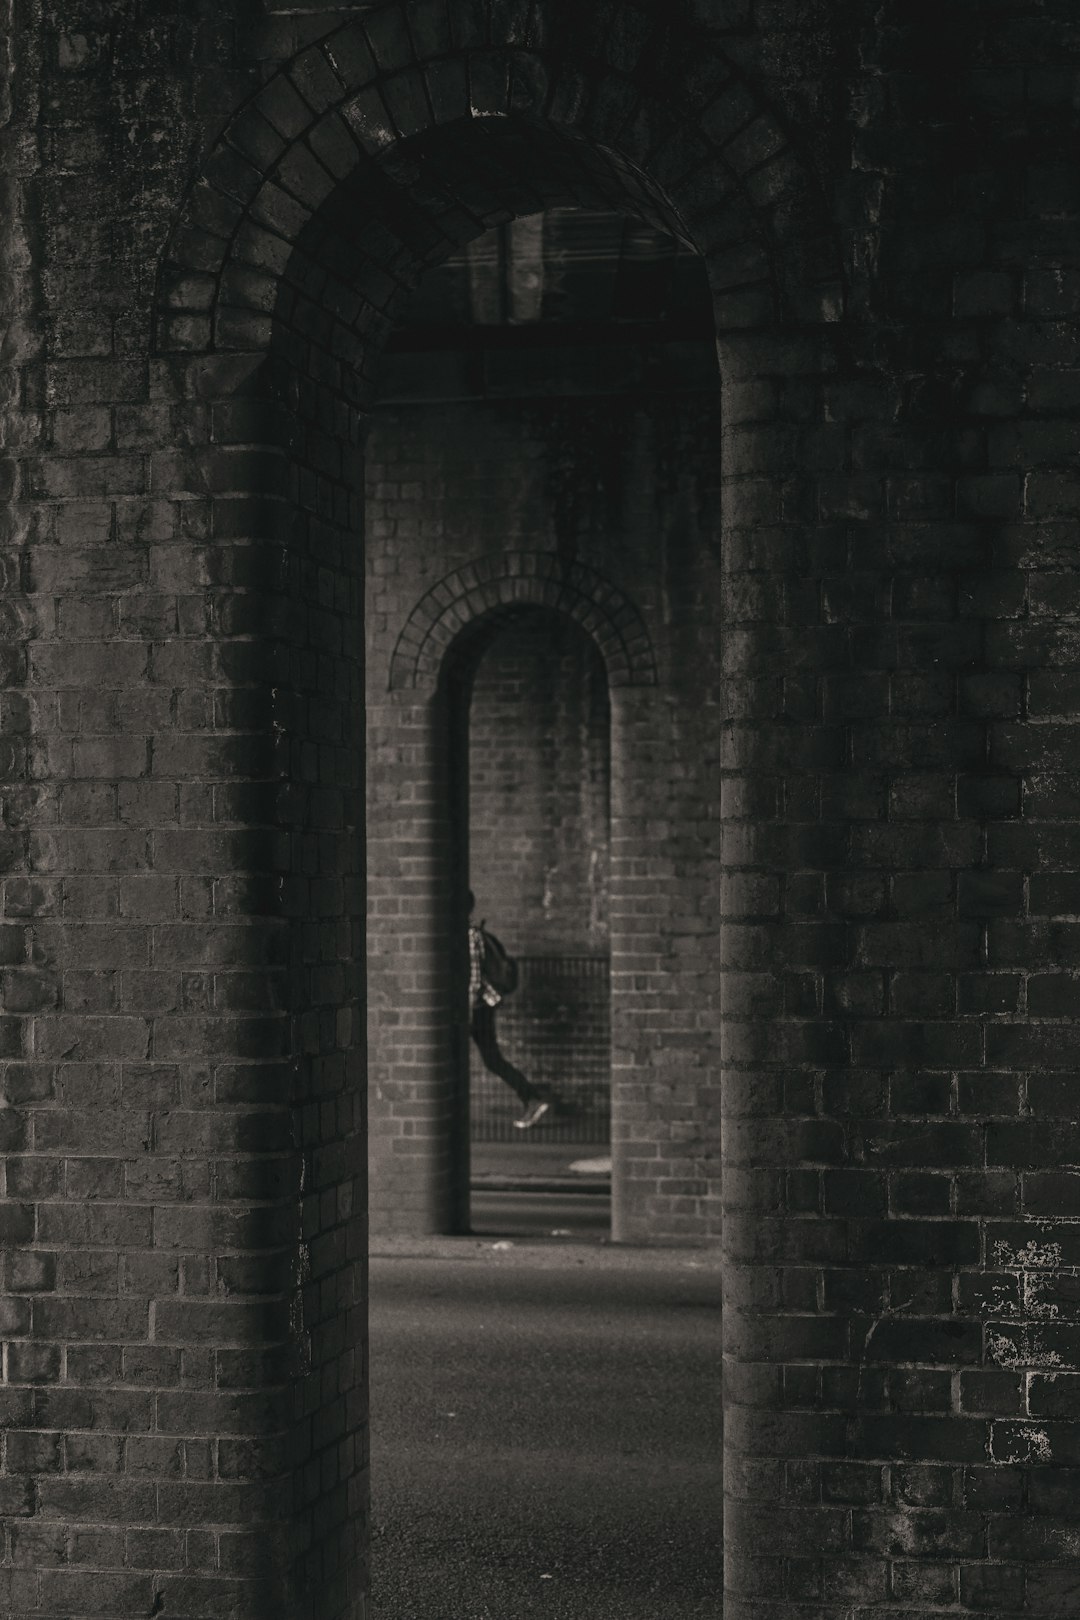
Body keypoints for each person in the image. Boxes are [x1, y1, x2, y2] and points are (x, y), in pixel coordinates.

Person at [468, 894, 549, 1130]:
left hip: (475, 1007)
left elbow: (473, 981)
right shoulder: (468, 934)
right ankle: (532, 1098)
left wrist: (468, 1011)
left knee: (488, 1059)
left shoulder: (469, 936)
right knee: (492, 1059)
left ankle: (533, 1098)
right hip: (478, 1006)